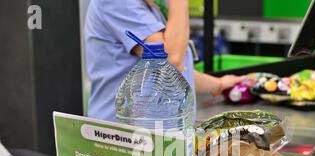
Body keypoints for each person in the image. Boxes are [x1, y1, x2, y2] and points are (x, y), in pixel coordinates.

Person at [85, 0, 246, 122]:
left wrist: (218, 84)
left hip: (151, 134)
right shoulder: (119, 2)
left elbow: (172, 74)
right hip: (123, 139)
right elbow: (171, 60)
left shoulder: (147, 6)